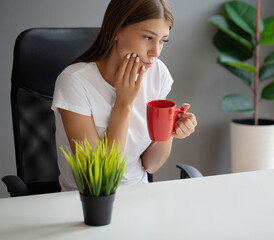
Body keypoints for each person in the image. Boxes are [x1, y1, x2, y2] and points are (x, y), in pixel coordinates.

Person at [51, 0, 197, 191]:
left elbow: (150, 165)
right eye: (147, 37)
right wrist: (123, 103)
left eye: (163, 40)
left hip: (138, 195)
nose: (156, 52)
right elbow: (101, 179)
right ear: (116, 30)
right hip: (88, 203)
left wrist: (169, 131)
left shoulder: (157, 73)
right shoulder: (74, 81)